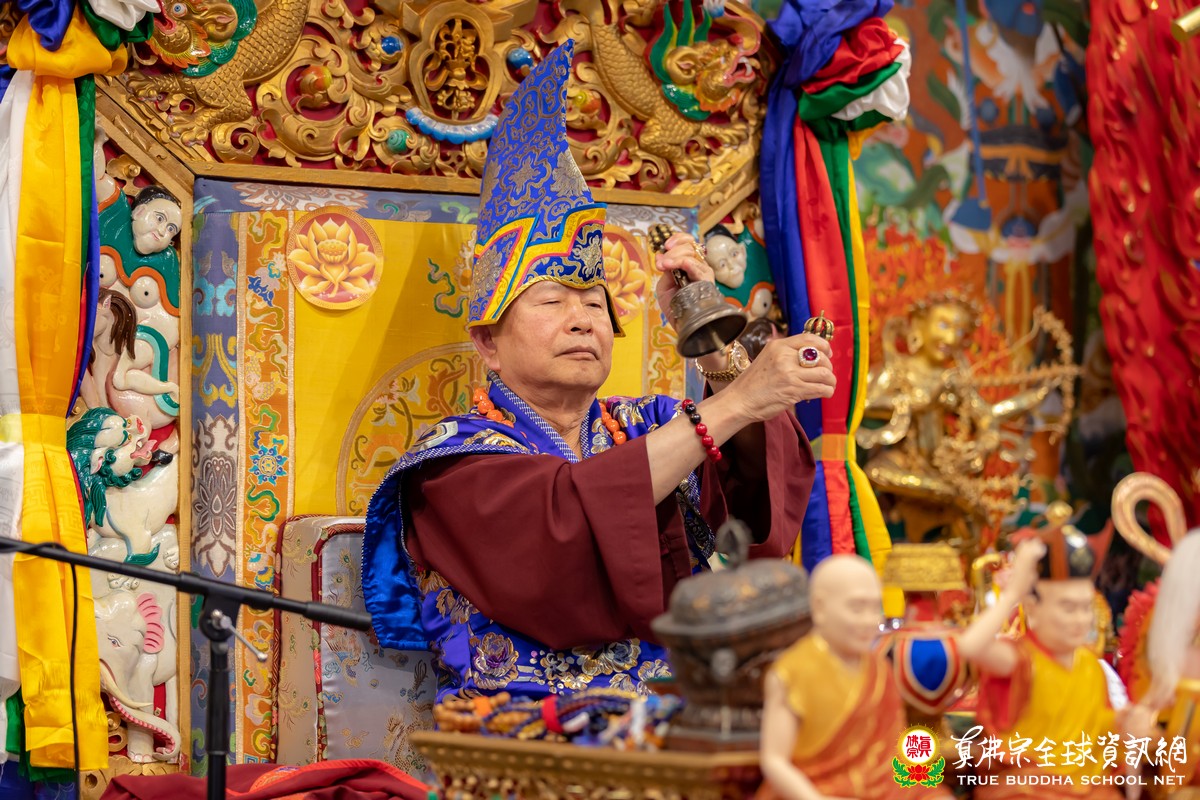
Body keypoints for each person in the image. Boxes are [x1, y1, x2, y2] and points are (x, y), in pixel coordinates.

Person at [362, 39, 834, 702]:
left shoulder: (648, 425)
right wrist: (735, 402)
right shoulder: (455, 463)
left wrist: (710, 340)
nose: (583, 320)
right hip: (521, 728)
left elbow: (757, 513)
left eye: (594, 304)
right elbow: (561, 530)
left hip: (673, 714)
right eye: (552, 301)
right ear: (488, 342)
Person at [758, 541, 1044, 800]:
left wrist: (923, 783)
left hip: (881, 786)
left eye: (875, 608)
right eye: (856, 608)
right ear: (819, 607)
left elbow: (891, 751)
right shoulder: (793, 670)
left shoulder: (879, 666)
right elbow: (774, 761)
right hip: (816, 788)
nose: (868, 620)